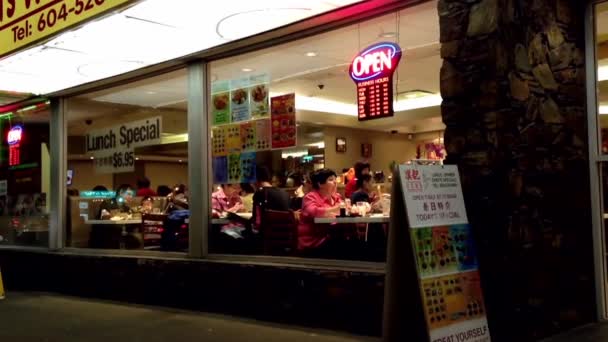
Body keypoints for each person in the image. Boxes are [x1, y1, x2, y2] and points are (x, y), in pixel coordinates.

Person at [297, 168, 343, 255]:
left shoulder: (336, 197)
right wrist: (336, 209)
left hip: (329, 237)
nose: (335, 182)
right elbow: (313, 212)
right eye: (330, 180)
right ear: (320, 184)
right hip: (313, 242)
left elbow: (345, 211)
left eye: (335, 179)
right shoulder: (310, 197)